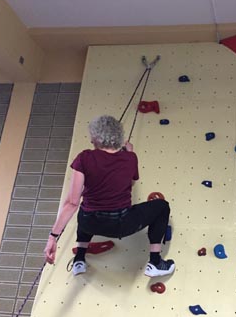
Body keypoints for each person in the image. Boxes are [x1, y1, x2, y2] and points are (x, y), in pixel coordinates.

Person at [44, 115, 175, 277]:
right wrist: (130, 153)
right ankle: (155, 262)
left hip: (89, 223)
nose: (91, 141)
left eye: (92, 138)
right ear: (118, 137)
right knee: (162, 206)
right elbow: (130, 185)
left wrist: (53, 237)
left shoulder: (84, 158)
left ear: (97, 138)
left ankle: (79, 259)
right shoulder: (130, 158)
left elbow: (72, 203)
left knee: (86, 208)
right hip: (121, 225)